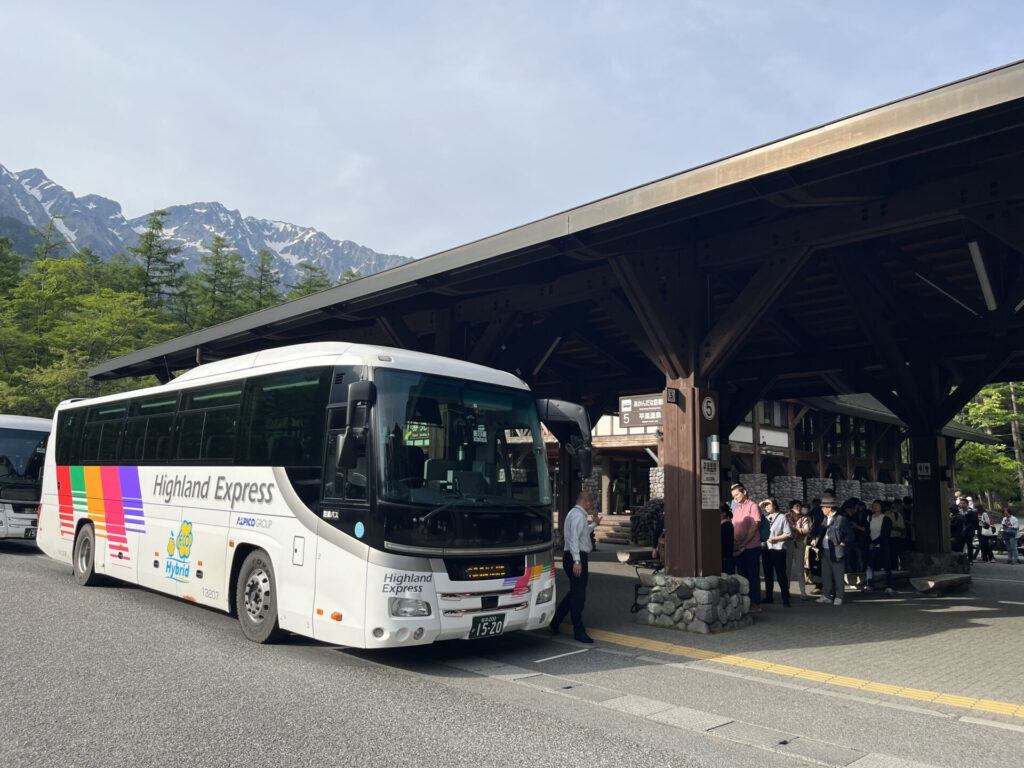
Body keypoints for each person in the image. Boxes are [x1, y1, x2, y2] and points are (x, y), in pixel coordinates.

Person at [550, 491, 601, 642]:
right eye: (590, 502)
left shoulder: (574, 514)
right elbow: (573, 539)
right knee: (579, 596)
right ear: (586, 502)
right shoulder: (579, 516)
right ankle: (578, 630)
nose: (591, 505)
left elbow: (582, 534)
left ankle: (556, 620)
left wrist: (594, 524)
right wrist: (577, 561)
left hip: (571, 555)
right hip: (576, 556)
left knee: (575, 592)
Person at [811, 492, 853, 605]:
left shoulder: (840, 519)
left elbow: (849, 534)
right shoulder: (825, 519)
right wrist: (816, 539)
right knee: (826, 574)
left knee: (838, 574)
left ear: (829, 508)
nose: (822, 509)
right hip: (824, 549)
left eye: (823, 507)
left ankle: (839, 596)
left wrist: (843, 543)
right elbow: (821, 531)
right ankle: (826, 595)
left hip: (836, 550)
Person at [730, 482, 763, 613]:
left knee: (753, 576)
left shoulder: (753, 506)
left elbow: (755, 526)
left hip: (751, 547)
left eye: (737, 495)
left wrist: (744, 542)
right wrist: (735, 542)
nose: (735, 498)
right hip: (739, 547)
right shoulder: (737, 509)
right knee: (742, 576)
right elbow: (734, 526)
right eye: (733, 496)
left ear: (744, 492)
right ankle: (745, 601)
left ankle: (755, 603)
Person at [761, 498, 792, 606]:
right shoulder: (765, 518)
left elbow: (787, 534)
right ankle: (769, 596)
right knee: (767, 574)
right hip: (766, 549)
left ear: (774, 505)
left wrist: (775, 539)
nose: (766, 507)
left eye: (768, 504)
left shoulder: (782, 517)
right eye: (765, 505)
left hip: (778, 549)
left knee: (780, 574)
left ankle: (785, 597)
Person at [866, 500, 894, 595]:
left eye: (877, 505)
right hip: (872, 546)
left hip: (882, 545)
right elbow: (867, 532)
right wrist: (870, 543)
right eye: (873, 505)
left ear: (881, 507)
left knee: (887, 566)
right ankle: (869, 585)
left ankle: (889, 586)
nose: (875, 507)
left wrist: (874, 542)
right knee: (870, 566)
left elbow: (885, 534)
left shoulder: (886, 519)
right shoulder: (869, 518)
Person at [786, 499, 810, 600]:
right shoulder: (787, 517)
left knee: (800, 568)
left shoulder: (804, 518)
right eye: (796, 507)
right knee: (787, 568)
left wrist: (795, 529)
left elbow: (806, 530)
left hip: (799, 543)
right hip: (788, 543)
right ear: (792, 508)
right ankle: (786, 591)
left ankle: (803, 591)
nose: (799, 508)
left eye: (800, 506)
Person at [887, 499, 906, 570]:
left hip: (896, 538)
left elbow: (902, 528)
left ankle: (895, 570)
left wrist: (892, 527)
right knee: (892, 556)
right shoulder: (887, 514)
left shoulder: (898, 515)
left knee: (895, 555)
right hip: (890, 538)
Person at [720, 505, 735, 575]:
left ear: (724, 514)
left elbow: (724, 542)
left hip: (726, 557)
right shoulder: (725, 524)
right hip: (726, 556)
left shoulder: (726, 525)